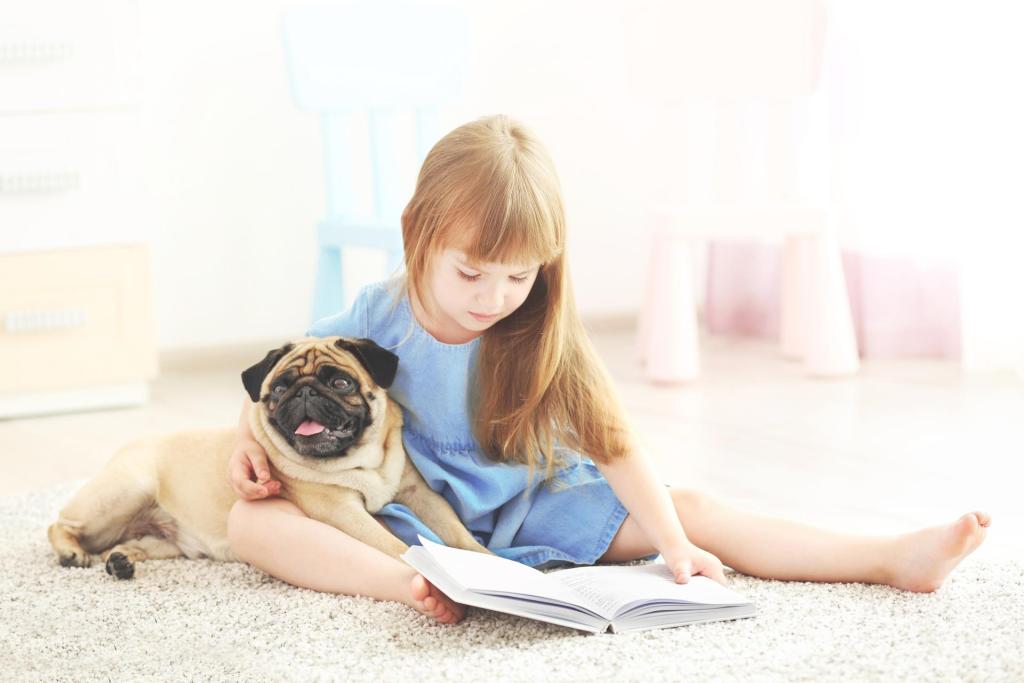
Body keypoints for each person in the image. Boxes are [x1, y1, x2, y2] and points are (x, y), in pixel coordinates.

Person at [226, 114, 991, 625]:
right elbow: (282, 380)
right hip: (415, 514)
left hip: (537, 503)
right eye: (471, 273)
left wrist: (674, 543)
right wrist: (245, 443)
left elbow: (616, 445)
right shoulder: (376, 313)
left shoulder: (539, 327)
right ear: (415, 233)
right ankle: (408, 584)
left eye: (518, 275)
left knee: (691, 507)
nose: (494, 297)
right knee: (250, 521)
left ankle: (885, 557)